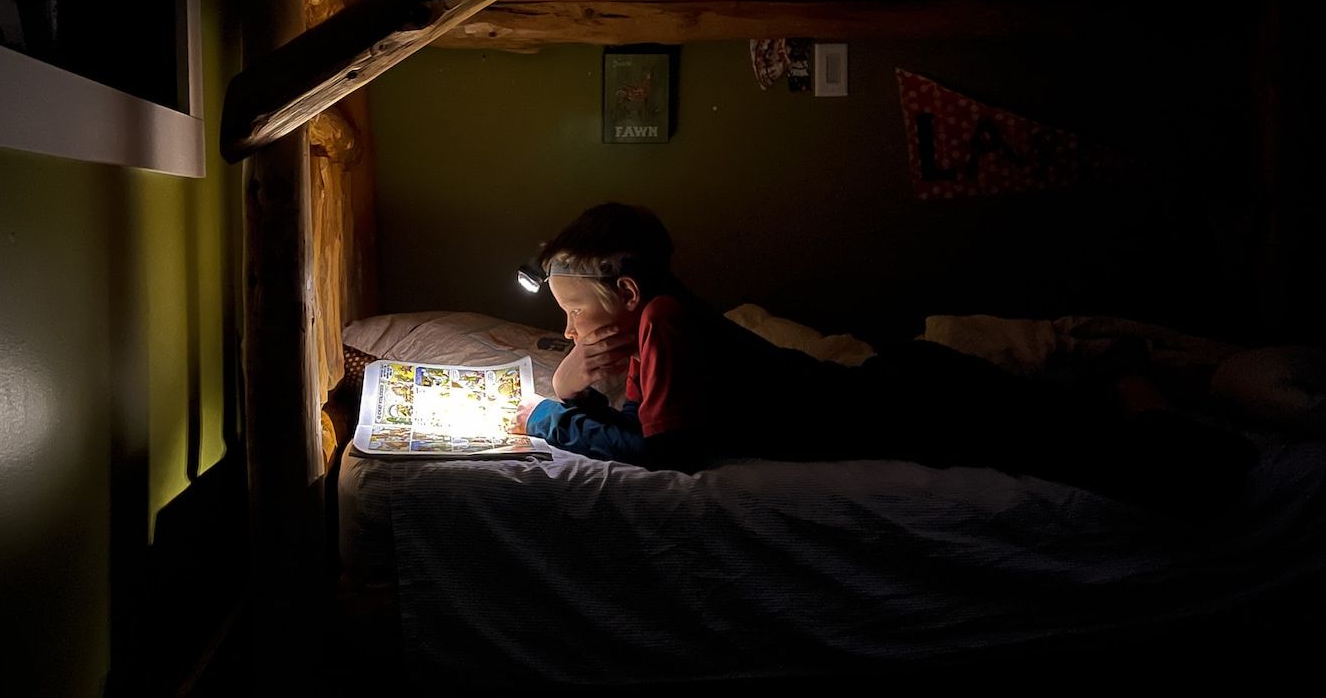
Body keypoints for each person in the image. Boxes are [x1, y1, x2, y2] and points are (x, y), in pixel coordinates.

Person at [511, 202, 1258, 516]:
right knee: (1055, 422)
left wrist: (552, 419)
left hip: (902, 405)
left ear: (631, 290)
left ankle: (1151, 397)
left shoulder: (667, 322)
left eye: (576, 311)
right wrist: (571, 379)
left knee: (1113, 460)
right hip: (894, 388)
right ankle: (1121, 387)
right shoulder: (655, 318)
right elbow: (634, 410)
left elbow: (669, 449)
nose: (572, 327)